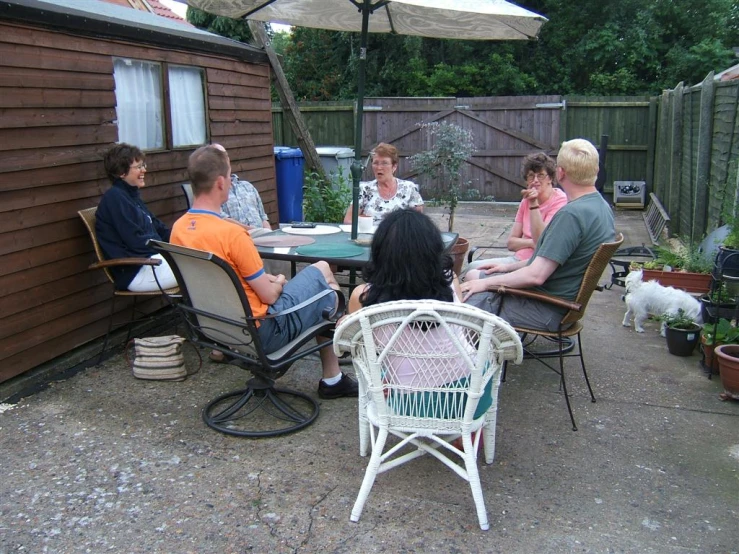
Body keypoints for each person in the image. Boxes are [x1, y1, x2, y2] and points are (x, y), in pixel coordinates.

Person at [170, 144, 358, 399]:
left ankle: (333, 377)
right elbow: (270, 297)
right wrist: (279, 280)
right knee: (327, 288)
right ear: (221, 183)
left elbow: (227, 281)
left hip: (215, 328)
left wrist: (266, 281)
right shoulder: (232, 235)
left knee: (320, 277)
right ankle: (332, 377)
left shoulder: (179, 229)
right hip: (262, 333)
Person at [460, 139, 616, 332]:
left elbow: (536, 276)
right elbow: (553, 260)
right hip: (560, 303)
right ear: (596, 170)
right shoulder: (601, 207)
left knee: (465, 304)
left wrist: (484, 283)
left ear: (560, 173)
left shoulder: (571, 215)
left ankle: (474, 358)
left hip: (547, 308)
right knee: (476, 277)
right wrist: (507, 267)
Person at [464, 152, 567, 277]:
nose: (535, 180)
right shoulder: (525, 201)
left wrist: (533, 204)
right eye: (530, 176)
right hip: (517, 259)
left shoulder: (559, 201)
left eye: (540, 175)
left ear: (550, 178)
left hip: (534, 265)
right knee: (472, 266)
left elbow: (541, 242)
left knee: (473, 274)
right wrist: (530, 243)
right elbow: (511, 243)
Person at [95, 143, 178, 292]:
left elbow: (159, 229)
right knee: (201, 270)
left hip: (154, 263)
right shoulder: (115, 199)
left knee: (206, 260)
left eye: (143, 165)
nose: (144, 170)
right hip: (136, 271)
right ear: (121, 172)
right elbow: (136, 242)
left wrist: (185, 239)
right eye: (138, 167)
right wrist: (170, 251)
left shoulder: (131, 197)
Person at [343, 142, 423, 225]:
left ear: (394, 166)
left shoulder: (409, 188)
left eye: (384, 163)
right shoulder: (365, 189)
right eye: (375, 163)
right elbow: (348, 221)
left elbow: (418, 223)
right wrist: (364, 222)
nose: (379, 167)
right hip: (370, 237)